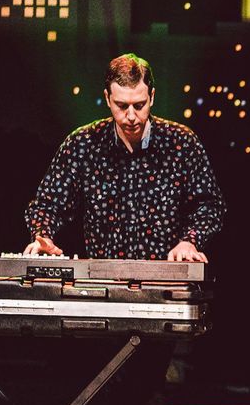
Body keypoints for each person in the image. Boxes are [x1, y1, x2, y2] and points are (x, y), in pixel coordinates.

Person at [24, 53, 224, 261]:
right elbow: (47, 204)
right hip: (102, 276)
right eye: (121, 106)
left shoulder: (181, 143)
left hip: (167, 275)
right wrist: (42, 235)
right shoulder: (83, 144)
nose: (130, 116)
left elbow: (210, 204)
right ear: (107, 99)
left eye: (139, 105)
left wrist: (190, 241)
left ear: (152, 97)